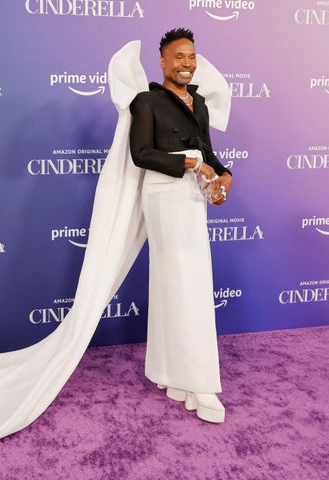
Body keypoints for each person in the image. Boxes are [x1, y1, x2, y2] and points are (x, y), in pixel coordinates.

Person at [129, 28, 232, 423]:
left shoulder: (200, 102)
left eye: (191, 57)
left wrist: (224, 176)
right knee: (184, 281)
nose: (186, 64)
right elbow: (141, 154)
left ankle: (173, 374)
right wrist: (190, 163)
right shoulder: (147, 102)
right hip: (164, 196)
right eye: (178, 57)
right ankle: (199, 381)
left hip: (193, 197)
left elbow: (208, 151)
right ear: (163, 61)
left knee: (183, 284)